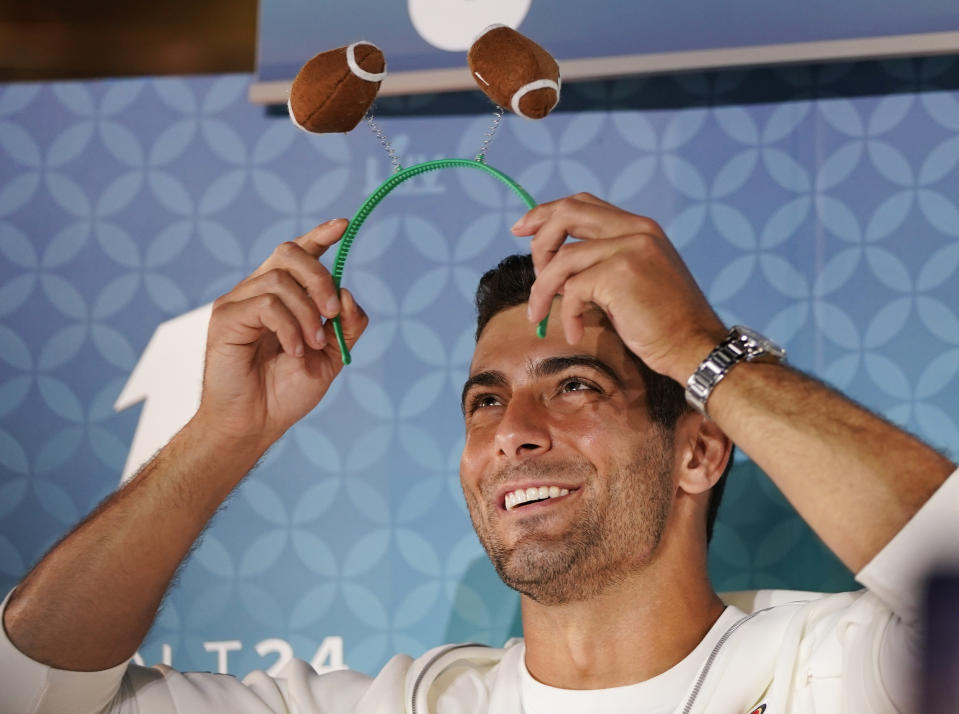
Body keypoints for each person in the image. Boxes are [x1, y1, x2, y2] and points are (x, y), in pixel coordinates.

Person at [1, 193, 956, 713]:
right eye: (484, 401)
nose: (511, 433)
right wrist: (221, 436)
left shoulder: (824, 672)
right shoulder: (414, 703)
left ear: (698, 455)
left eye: (575, 385)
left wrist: (702, 355)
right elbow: (32, 695)